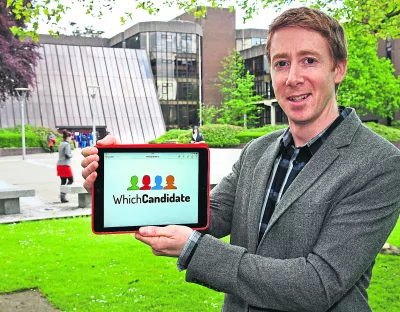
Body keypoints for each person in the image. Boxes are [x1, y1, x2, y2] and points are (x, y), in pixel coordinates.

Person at [81, 7, 400, 311]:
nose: (292, 78)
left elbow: (317, 284)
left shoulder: (380, 165)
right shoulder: (257, 151)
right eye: (281, 63)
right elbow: (207, 215)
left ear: (339, 68)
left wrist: (195, 250)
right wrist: (119, 177)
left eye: (309, 60)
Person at [57, 130, 73, 203]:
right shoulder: (67, 144)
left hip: (59, 164)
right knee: (70, 180)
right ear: (68, 137)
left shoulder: (60, 144)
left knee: (63, 181)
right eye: (70, 137)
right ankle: (63, 194)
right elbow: (67, 154)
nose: (71, 138)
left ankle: (62, 196)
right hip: (65, 165)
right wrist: (71, 155)